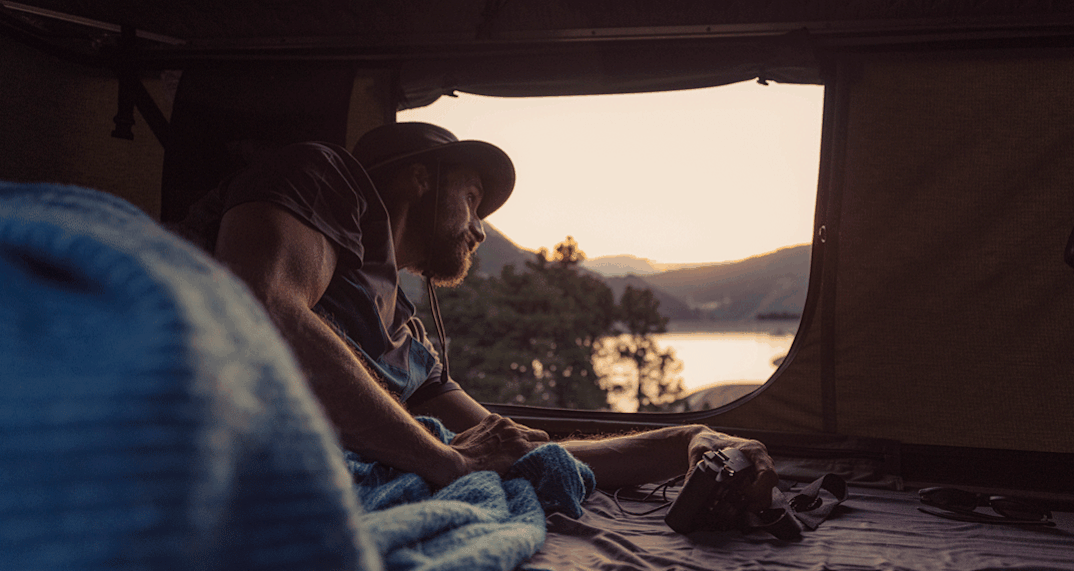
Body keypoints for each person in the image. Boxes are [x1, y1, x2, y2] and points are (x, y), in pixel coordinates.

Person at [181, 121, 778, 507]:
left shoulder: (407, 341)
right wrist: (441, 460)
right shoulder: (325, 178)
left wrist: (691, 438)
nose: (481, 229)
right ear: (420, 178)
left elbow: (518, 447)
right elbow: (259, 313)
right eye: (471, 198)